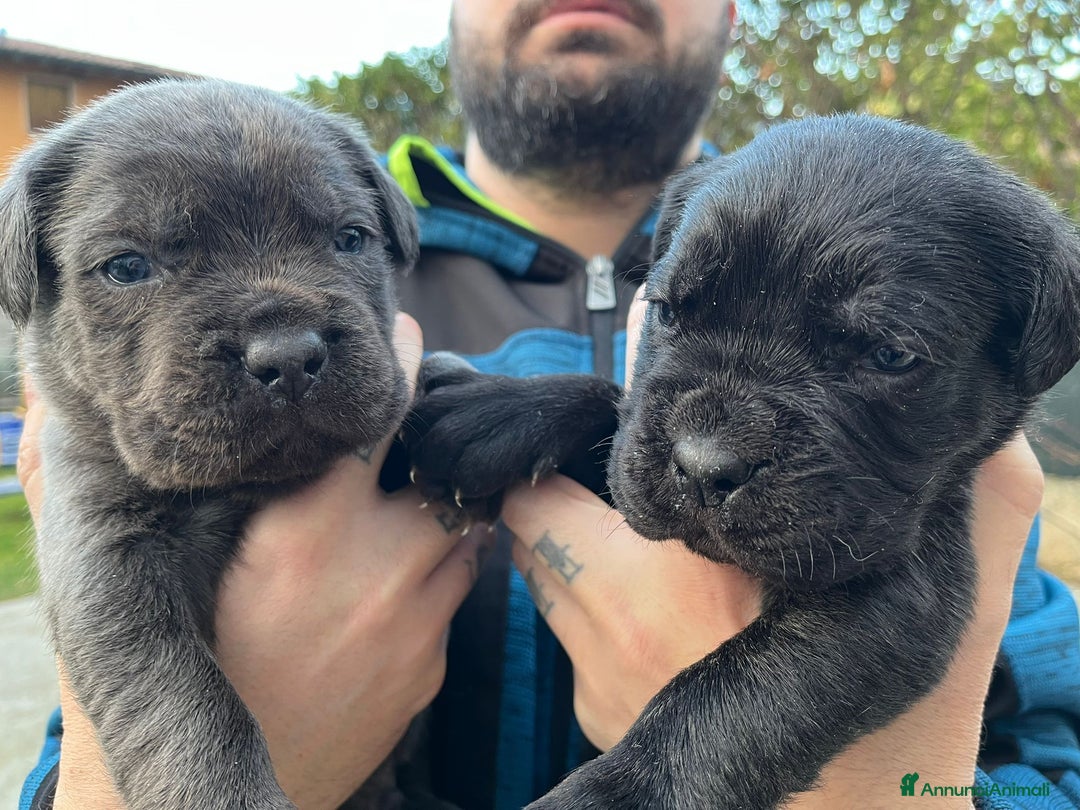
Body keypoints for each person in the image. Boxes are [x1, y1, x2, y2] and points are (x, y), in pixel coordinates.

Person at [20, 0, 1080, 808]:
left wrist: (920, 791)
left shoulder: (943, 276)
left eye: (339, 241)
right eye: (683, 315)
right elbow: (80, 752)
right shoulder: (358, 329)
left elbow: (1047, 743)